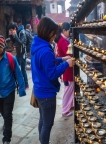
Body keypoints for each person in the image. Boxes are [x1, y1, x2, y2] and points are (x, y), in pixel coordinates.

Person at [31, 16, 74, 144]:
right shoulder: (45, 50)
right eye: (54, 34)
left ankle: (41, 140)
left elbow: (47, 64)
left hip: (39, 89)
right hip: (46, 93)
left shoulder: (37, 45)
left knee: (42, 120)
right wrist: (67, 64)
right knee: (47, 124)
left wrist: (62, 59)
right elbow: (52, 73)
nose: (54, 37)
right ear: (49, 32)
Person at [0, 35, 26, 144]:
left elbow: (18, 73)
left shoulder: (11, 58)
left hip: (9, 91)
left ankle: (6, 138)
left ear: (3, 46)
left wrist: (21, 89)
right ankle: (6, 123)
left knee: (7, 115)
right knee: (3, 112)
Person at [56, 22, 74, 117]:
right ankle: (65, 110)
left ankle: (70, 105)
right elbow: (69, 54)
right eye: (68, 31)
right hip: (67, 69)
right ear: (64, 30)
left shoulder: (63, 40)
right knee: (68, 90)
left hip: (66, 68)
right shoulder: (63, 41)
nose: (70, 33)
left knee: (70, 89)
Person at [8, 22, 29, 89]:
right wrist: (11, 35)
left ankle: (26, 84)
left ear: (15, 29)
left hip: (22, 54)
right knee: (14, 68)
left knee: (23, 70)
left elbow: (20, 42)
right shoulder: (16, 33)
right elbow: (14, 42)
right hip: (18, 54)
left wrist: (15, 35)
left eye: (11, 30)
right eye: (10, 30)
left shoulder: (22, 32)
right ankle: (18, 83)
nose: (11, 31)